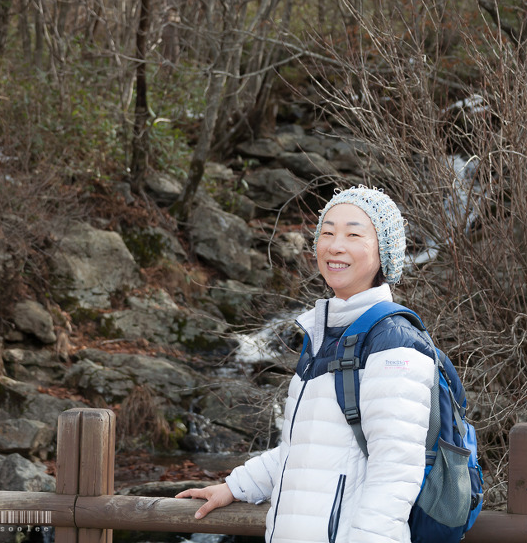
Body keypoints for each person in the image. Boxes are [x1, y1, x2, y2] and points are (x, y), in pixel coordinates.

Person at [176, 185, 435, 543]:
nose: (335, 245)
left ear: (385, 251)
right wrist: (235, 487)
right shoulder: (326, 332)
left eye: (353, 234)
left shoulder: (393, 341)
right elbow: (304, 449)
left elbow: (396, 469)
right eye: (327, 233)